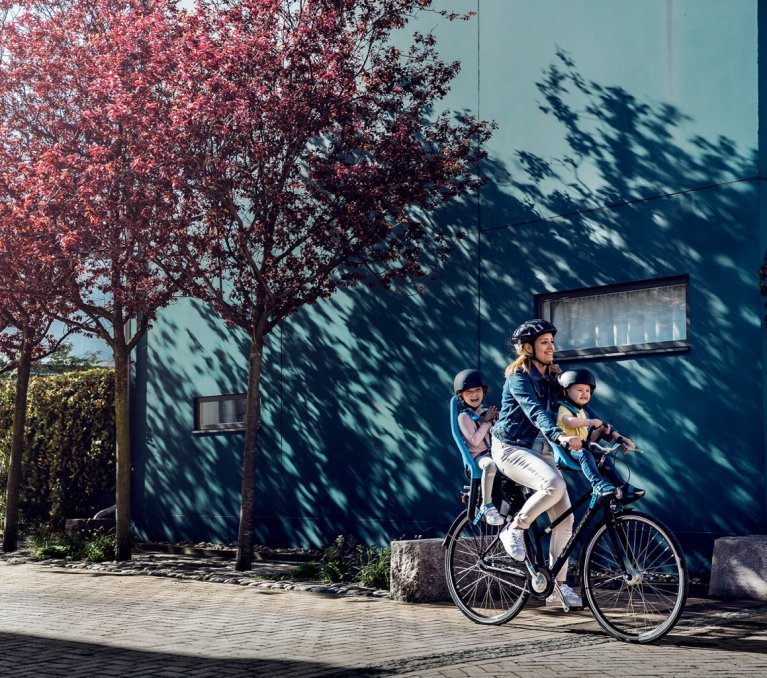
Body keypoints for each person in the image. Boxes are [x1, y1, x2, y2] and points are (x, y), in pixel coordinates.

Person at [489, 319, 584, 610]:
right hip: (508, 448)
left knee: (565, 518)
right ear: (528, 348)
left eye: (552, 342)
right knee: (553, 484)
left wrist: (607, 430)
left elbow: (573, 408)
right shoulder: (518, 378)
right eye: (545, 343)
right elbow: (535, 413)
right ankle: (514, 529)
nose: (551, 347)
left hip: (537, 450)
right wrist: (558, 435)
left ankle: (559, 587)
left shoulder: (551, 377)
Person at [557, 369, 645, 503]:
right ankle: (599, 485)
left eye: (587, 391)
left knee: (604, 459)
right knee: (584, 454)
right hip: (568, 450)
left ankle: (622, 487)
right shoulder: (564, 408)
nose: (584, 393)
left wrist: (600, 430)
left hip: (582, 448)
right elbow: (568, 422)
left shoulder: (583, 412)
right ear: (566, 391)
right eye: (579, 390)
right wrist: (591, 422)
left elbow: (589, 439)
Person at [453, 369, 504, 526]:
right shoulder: (464, 417)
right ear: (461, 395)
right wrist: (487, 423)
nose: (474, 395)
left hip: (493, 452)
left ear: (483, 391)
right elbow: (475, 441)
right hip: (478, 458)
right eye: (469, 392)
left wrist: (497, 421)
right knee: (490, 464)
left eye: (478, 390)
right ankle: (486, 504)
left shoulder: (485, 412)